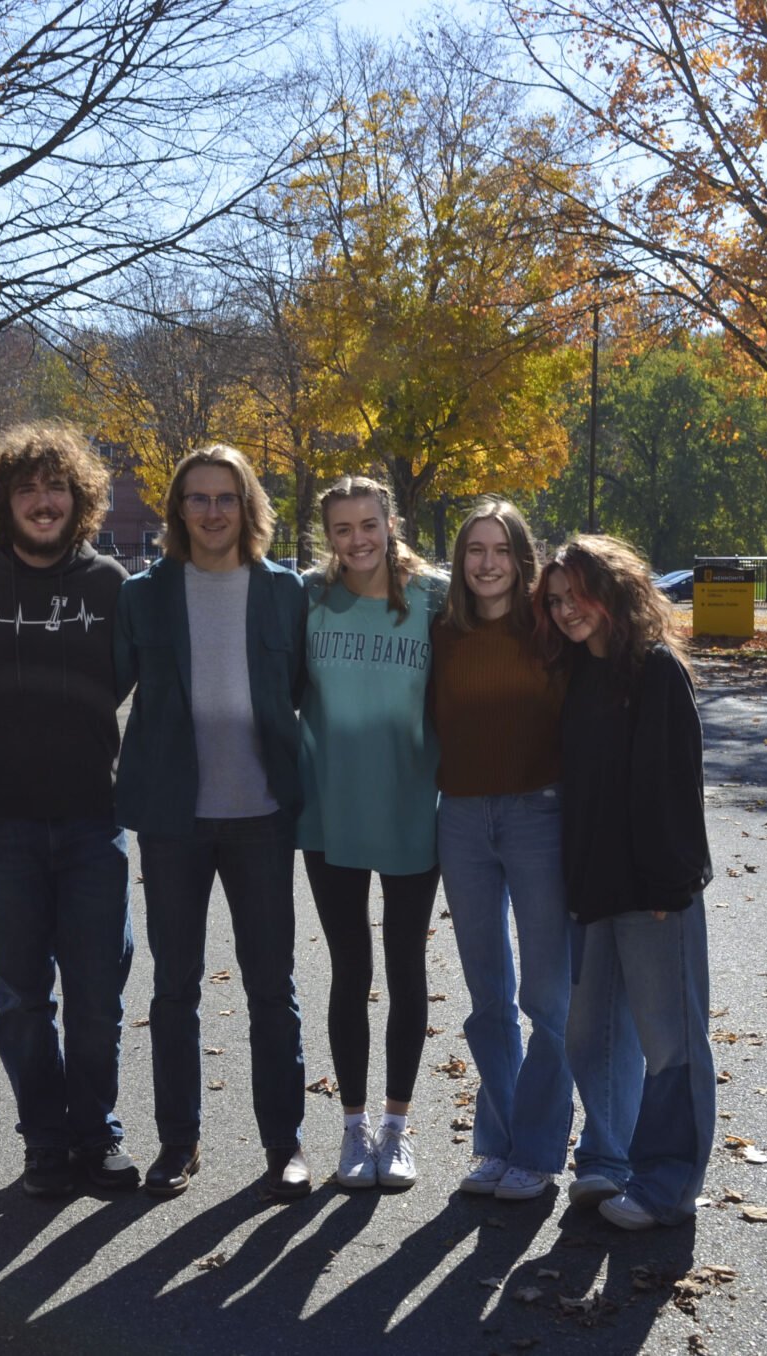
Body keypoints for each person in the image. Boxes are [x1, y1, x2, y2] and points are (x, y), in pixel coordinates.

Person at [0, 424, 137, 1199]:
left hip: (92, 822)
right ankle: (44, 1142)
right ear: (4, 501)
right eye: (27, 489)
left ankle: (98, 1133)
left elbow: (127, 681)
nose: (42, 501)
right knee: (22, 997)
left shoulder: (110, 585)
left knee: (96, 996)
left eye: (56, 488)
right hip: (4, 823)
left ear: (79, 497)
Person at [114, 443, 312, 1201]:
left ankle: (283, 1146)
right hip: (174, 819)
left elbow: (297, 688)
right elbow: (106, 686)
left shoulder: (285, 592)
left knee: (272, 986)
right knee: (175, 988)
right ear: (178, 510)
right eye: (196, 498)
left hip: (262, 817)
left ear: (248, 504)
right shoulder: (145, 595)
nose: (212, 511)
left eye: (225, 497)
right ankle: (178, 1142)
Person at [539, 534, 715, 1231]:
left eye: (574, 595)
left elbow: (676, 790)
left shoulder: (656, 671)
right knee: (591, 1037)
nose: (565, 612)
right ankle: (611, 1164)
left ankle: (669, 1185)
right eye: (554, 601)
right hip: (593, 891)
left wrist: (670, 889)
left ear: (611, 591)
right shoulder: (578, 674)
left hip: (654, 895)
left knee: (670, 1043)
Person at [430, 500, 586, 1202]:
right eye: (473, 551)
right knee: (486, 995)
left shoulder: (549, 630)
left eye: (499, 550)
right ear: (460, 562)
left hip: (537, 817)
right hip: (461, 820)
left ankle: (539, 1149)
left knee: (546, 998)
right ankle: (496, 1142)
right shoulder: (444, 632)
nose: (486, 563)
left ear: (520, 557)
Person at [297, 477, 444, 1190]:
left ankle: (396, 1126)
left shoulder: (435, 598)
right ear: (328, 536)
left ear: (392, 522)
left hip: (412, 808)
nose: (358, 540)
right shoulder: (309, 599)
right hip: (329, 814)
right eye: (343, 529)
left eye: (369, 524)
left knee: (406, 970)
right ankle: (352, 1129)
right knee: (350, 971)